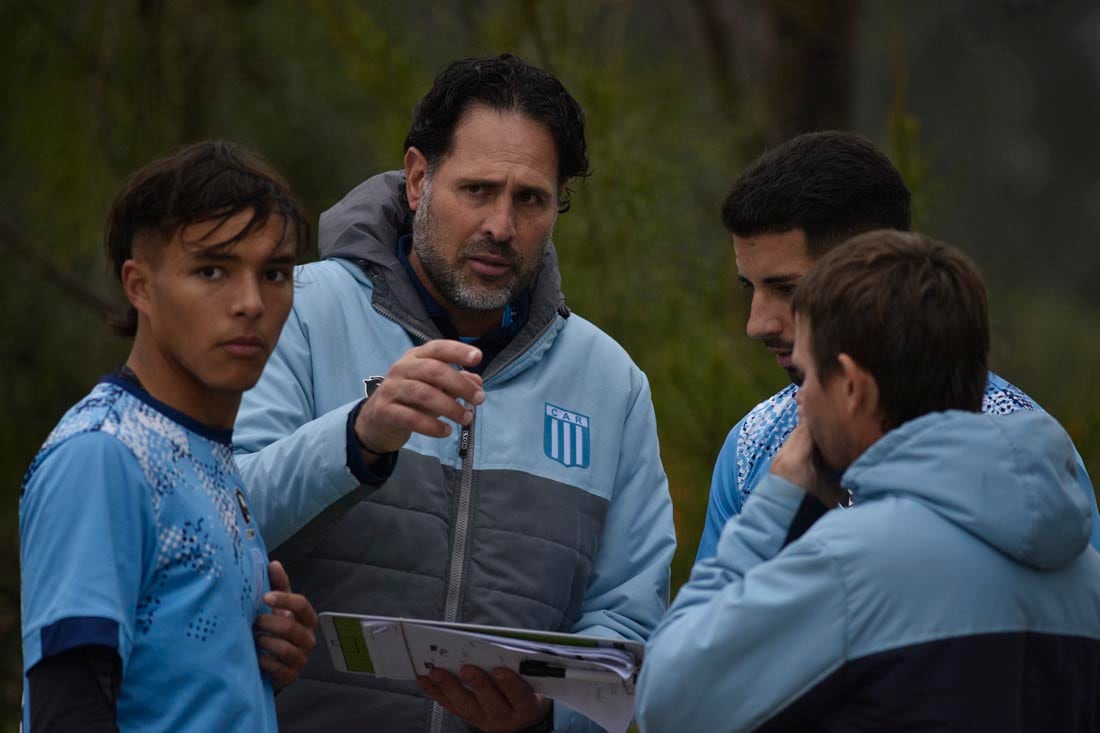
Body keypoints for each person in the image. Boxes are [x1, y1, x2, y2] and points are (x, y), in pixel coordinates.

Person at [233, 54, 676, 733]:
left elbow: (630, 617)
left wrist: (547, 716)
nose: (501, 224)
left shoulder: (612, 382)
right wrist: (355, 437)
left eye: (529, 199)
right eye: (477, 190)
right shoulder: (294, 311)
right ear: (417, 179)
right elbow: (218, 521)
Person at [636, 230, 1100, 730]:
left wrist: (773, 505)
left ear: (853, 387)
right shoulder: (1085, 574)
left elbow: (669, 699)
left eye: (810, 377)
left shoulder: (848, 565)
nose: (799, 400)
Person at [19, 141, 319, 732]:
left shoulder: (207, 450)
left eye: (275, 273)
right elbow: (69, 709)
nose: (252, 303)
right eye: (212, 270)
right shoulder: (103, 452)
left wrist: (251, 661)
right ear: (141, 286)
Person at [695, 131, 1100, 562]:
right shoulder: (750, 448)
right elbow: (707, 625)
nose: (756, 324)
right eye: (750, 289)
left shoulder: (1029, 463)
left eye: (787, 289)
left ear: (873, 273)